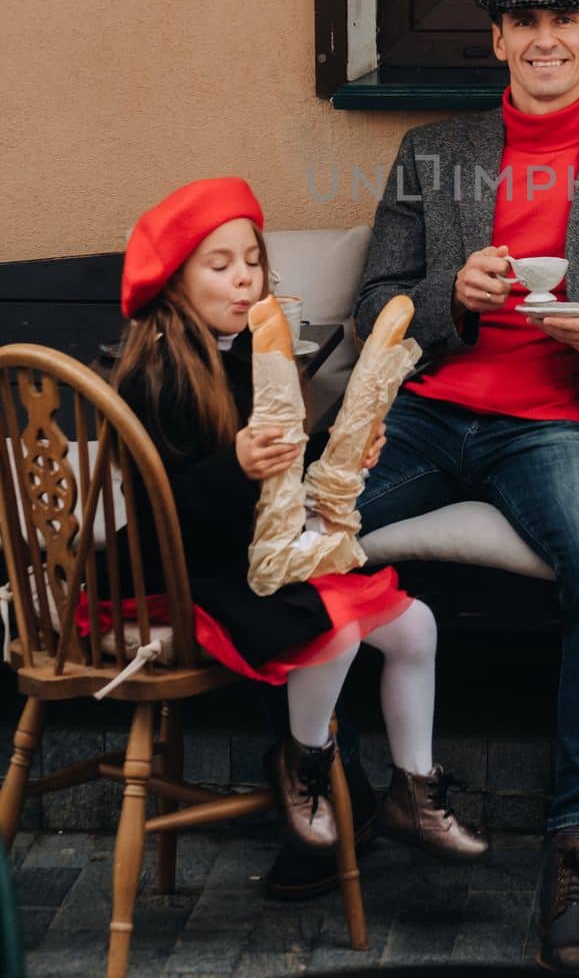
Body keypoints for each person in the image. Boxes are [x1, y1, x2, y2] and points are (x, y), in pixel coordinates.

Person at [350, 0, 579, 976]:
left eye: (567, 21)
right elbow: (374, 307)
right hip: (424, 413)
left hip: (557, 427)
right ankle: (322, 779)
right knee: (293, 528)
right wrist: (448, 297)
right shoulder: (433, 152)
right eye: (523, 22)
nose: (545, 38)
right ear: (498, 40)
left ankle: (577, 843)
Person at [112, 177, 487, 871]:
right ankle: (303, 764)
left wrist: (332, 454)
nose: (242, 278)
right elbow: (160, 498)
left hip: (253, 552)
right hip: (183, 566)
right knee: (332, 632)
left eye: (251, 261)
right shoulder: (155, 372)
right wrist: (237, 465)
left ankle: (416, 788)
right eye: (218, 265)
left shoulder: (255, 357)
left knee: (416, 627)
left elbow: (283, 464)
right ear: (174, 280)